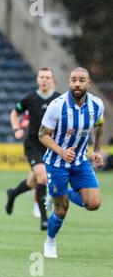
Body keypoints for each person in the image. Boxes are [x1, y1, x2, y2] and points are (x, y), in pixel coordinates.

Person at [39, 67, 104, 258]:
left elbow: (99, 124)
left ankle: (56, 194)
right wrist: (61, 151)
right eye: (73, 80)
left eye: (81, 80)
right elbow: (42, 134)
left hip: (80, 162)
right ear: (69, 82)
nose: (77, 83)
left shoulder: (97, 105)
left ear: (88, 84)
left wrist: (97, 150)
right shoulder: (57, 106)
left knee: (94, 203)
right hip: (56, 163)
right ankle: (50, 241)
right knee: (62, 209)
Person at [6, 68, 60, 230]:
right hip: (33, 145)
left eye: (47, 77)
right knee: (43, 178)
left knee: (33, 181)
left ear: (52, 80)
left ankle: (13, 194)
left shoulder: (59, 99)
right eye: (41, 77)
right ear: (38, 80)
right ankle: (45, 219)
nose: (44, 80)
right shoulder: (30, 98)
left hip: (50, 145)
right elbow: (15, 113)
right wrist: (16, 129)